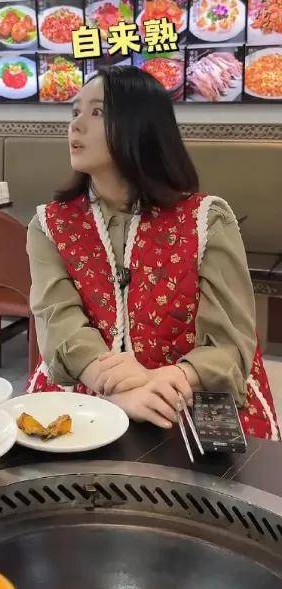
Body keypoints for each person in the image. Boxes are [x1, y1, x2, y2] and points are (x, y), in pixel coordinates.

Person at [26, 65, 280, 441]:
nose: (76, 125)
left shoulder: (207, 218)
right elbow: (57, 322)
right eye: (75, 112)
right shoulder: (49, 224)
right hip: (86, 382)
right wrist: (115, 387)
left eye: (97, 112)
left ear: (140, 125)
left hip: (188, 388)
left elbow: (231, 341)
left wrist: (169, 379)